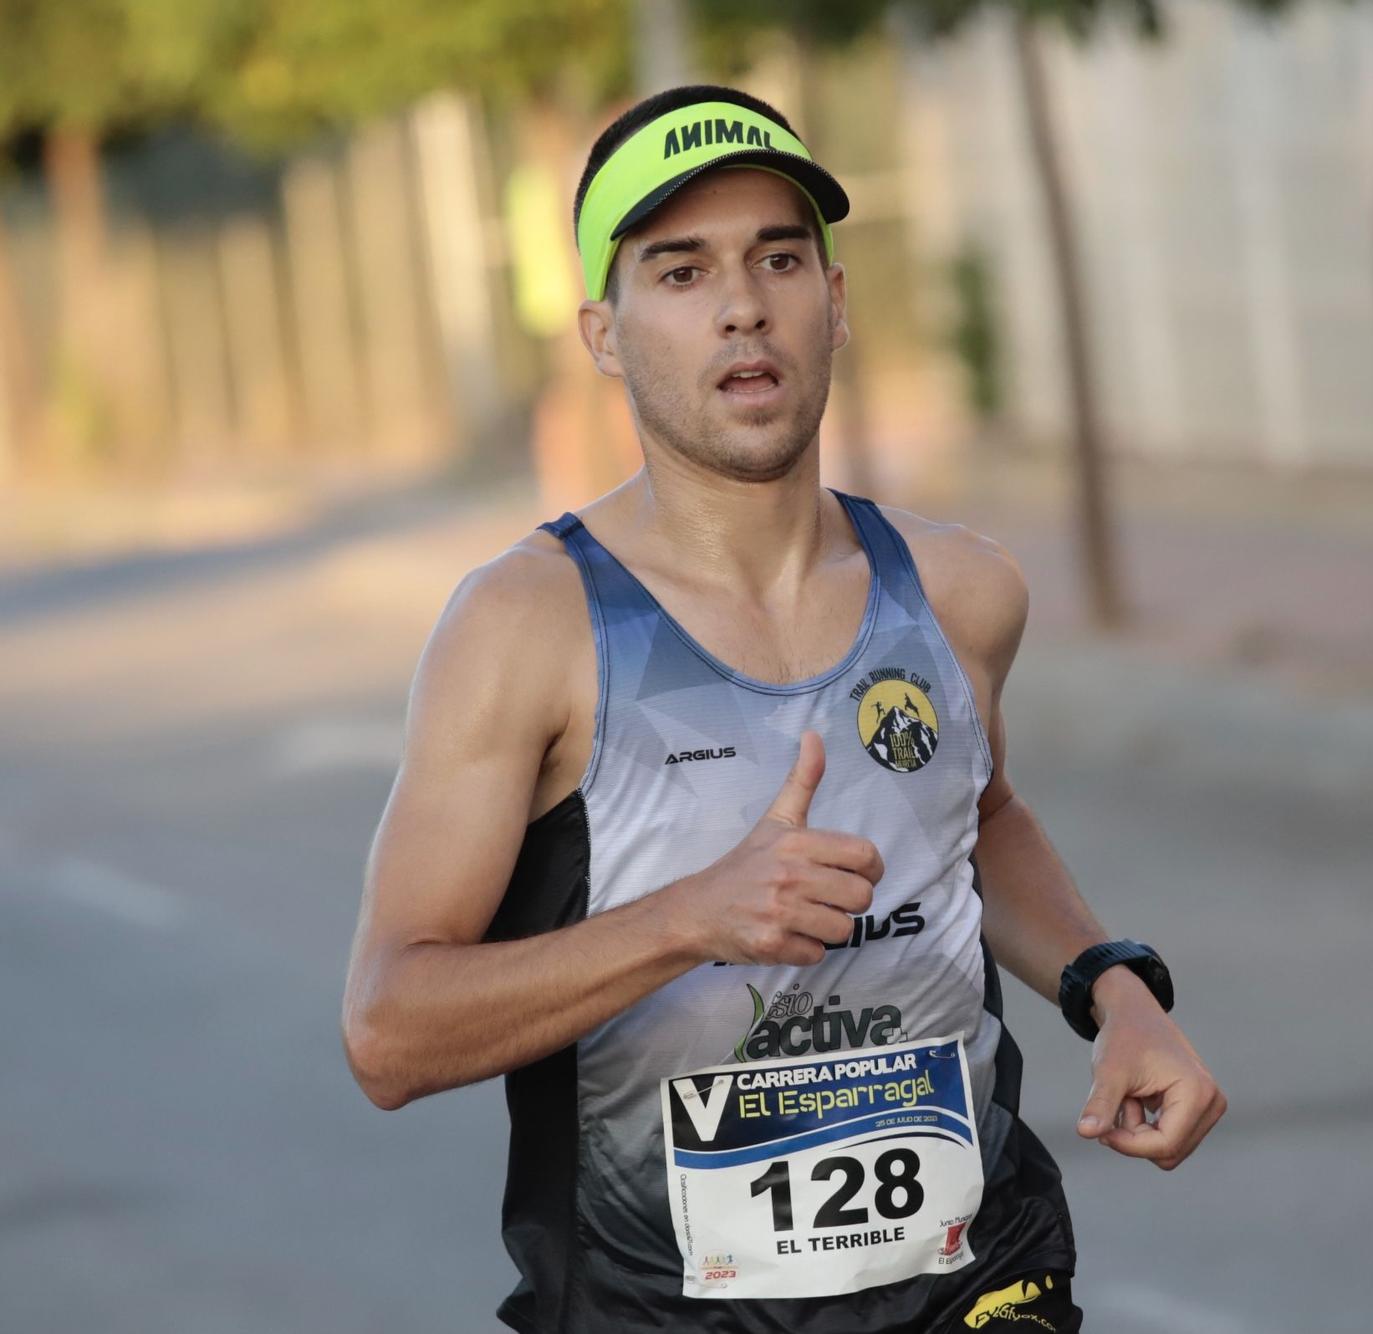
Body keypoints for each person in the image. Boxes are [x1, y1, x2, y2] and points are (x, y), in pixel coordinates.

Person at [341, 84, 1225, 1333]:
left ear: (835, 300)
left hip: (978, 1283)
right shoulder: (526, 628)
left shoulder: (960, 592)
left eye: (777, 256)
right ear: (603, 330)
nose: (743, 302)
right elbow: (387, 1030)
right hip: (657, 1305)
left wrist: (1112, 991)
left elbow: (979, 812)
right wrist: (689, 918)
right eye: (682, 269)